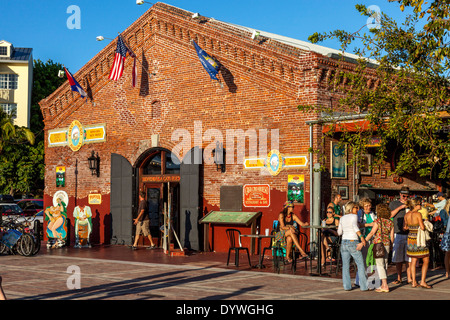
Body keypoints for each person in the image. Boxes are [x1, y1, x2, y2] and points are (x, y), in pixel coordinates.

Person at [337, 201, 368, 291]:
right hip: (353, 241)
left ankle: (347, 286)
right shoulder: (354, 216)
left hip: (344, 242)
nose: (357, 209)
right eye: (356, 207)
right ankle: (364, 286)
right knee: (360, 264)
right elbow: (355, 226)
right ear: (351, 208)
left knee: (345, 266)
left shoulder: (342, 218)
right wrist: (361, 237)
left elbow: (339, 232)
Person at [364, 203, 394, 293]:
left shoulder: (378, 221)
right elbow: (392, 237)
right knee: (384, 264)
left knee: (379, 265)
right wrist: (391, 245)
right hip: (387, 244)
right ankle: (382, 284)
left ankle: (385, 285)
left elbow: (372, 233)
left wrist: (364, 241)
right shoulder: (390, 222)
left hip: (378, 244)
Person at [404, 198, 432, 288]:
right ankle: (423, 281)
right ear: (416, 205)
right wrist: (425, 222)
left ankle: (414, 282)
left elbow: (405, 227)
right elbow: (422, 227)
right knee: (426, 259)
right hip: (419, 238)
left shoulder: (407, 215)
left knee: (413, 260)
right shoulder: (418, 214)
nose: (421, 205)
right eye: (419, 204)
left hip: (410, 238)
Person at [389, 186, 412, 285]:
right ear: (400, 194)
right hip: (398, 233)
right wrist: (400, 207)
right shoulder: (394, 203)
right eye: (404, 196)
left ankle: (409, 278)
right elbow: (390, 215)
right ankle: (399, 277)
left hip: (409, 233)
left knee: (409, 258)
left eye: (407, 196)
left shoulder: (411, 204)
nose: (405, 198)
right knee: (398, 258)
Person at [356, 198, 376, 287]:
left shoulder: (372, 214)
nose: (368, 207)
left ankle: (368, 279)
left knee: (370, 259)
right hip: (363, 238)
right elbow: (357, 225)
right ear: (362, 207)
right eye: (366, 206)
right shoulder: (360, 213)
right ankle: (359, 280)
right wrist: (369, 224)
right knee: (363, 259)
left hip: (371, 238)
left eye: (369, 205)